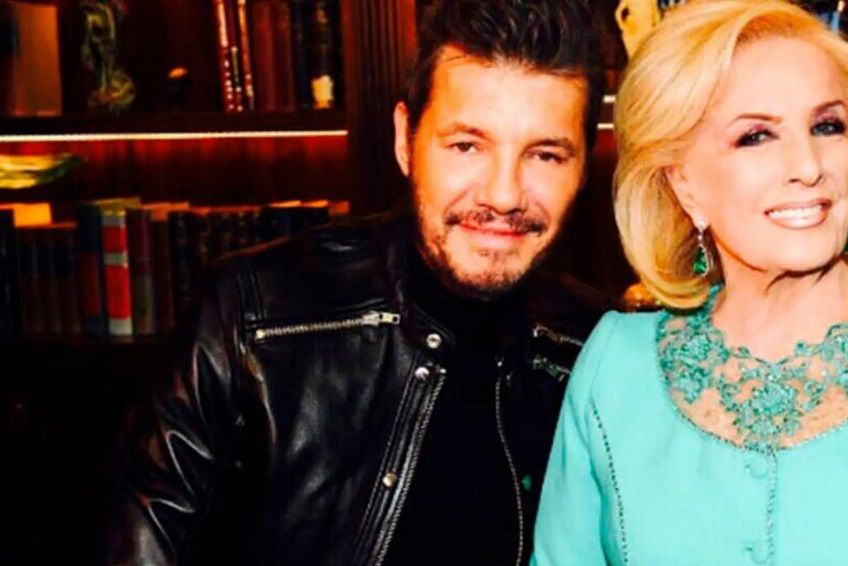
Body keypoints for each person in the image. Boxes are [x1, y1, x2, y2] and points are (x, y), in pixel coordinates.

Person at [532, 1, 848, 564]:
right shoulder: (614, 366)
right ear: (684, 183)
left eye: (827, 126)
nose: (809, 166)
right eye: (756, 136)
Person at [106, 0, 609, 564]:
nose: (504, 194)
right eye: (467, 146)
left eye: (545, 155)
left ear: (583, 167)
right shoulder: (248, 318)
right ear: (404, 140)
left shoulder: (598, 352)